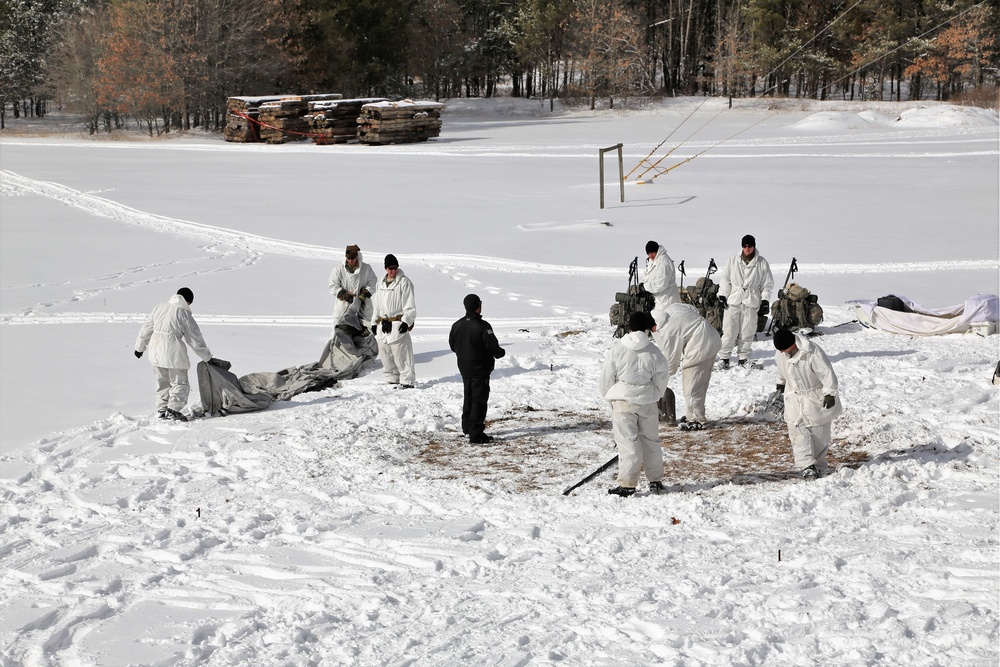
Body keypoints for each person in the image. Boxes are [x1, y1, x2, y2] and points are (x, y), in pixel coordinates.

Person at [599, 311, 670, 497]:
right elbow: (662, 376)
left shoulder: (617, 348)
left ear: (629, 326)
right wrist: (656, 394)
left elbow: (607, 377)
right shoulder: (654, 351)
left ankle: (628, 484)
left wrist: (610, 397)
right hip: (647, 401)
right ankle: (655, 481)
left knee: (627, 443)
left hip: (623, 400)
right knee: (651, 441)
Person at [134, 288, 215, 421]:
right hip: (173, 351)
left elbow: (146, 328)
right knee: (180, 382)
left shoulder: (159, 307)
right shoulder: (183, 313)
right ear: (188, 301)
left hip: (155, 350)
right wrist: (207, 357)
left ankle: (161, 410)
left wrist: (139, 347)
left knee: (162, 382)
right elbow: (195, 338)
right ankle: (173, 409)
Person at [772, 328, 843, 479]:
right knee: (797, 430)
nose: (784, 353)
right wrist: (780, 384)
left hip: (815, 397)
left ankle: (819, 466)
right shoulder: (782, 353)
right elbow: (781, 369)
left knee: (819, 434)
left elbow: (826, 373)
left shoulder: (812, 352)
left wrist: (830, 393)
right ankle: (807, 467)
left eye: (786, 349)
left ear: (793, 344)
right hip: (794, 397)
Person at [652, 302, 722, 430]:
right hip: (712, 336)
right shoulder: (671, 309)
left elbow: (671, 362)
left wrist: (659, 379)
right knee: (700, 382)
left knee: (691, 385)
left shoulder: (667, 331)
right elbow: (693, 309)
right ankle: (693, 415)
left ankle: (697, 420)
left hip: (700, 346)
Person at [449, 294, 506, 444]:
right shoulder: (483, 326)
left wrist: (465, 353)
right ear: (478, 306)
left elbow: (453, 345)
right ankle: (476, 434)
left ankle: (467, 427)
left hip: (464, 368)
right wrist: (500, 353)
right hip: (480, 369)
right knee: (479, 400)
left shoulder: (457, 325)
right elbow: (492, 347)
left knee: (469, 397)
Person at [717, 234, 773, 368]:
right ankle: (724, 358)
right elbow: (725, 279)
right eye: (745, 246)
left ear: (754, 246)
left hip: (751, 300)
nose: (747, 248)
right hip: (734, 299)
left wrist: (765, 299)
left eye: (750, 246)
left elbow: (767, 284)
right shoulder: (732, 260)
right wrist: (722, 295)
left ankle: (744, 358)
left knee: (748, 331)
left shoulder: (762, 262)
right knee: (729, 330)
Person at [371, 253, 417, 387]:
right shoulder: (380, 282)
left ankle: (407, 381)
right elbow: (377, 303)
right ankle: (391, 378)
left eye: (395, 268)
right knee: (386, 354)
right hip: (383, 323)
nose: (393, 271)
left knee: (402, 354)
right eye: (390, 268)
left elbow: (410, 305)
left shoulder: (404, 282)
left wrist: (406, 321)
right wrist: (374, 321)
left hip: (397, 323)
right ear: (386, 268)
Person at [328, 244, 377, 334]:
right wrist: (342, 294)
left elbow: (373, 282)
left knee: (363, 340)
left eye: (352, 259)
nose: (350, 261)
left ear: (357, 257)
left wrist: (366, 292)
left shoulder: (366, 269)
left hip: (362, 312)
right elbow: (332, 286)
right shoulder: (338, 270)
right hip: (342, 310)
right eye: (348, 258)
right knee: (338, 338)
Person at [642, 240, 681, 310]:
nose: (651, 256)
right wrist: (644, 285)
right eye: (649, 254)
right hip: (658, 299)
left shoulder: (664, 262)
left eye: (652, 253)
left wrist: (645, 287)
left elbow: (661, 283)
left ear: (657, 251)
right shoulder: (654, 260)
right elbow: (647, 274)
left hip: (666, 299)